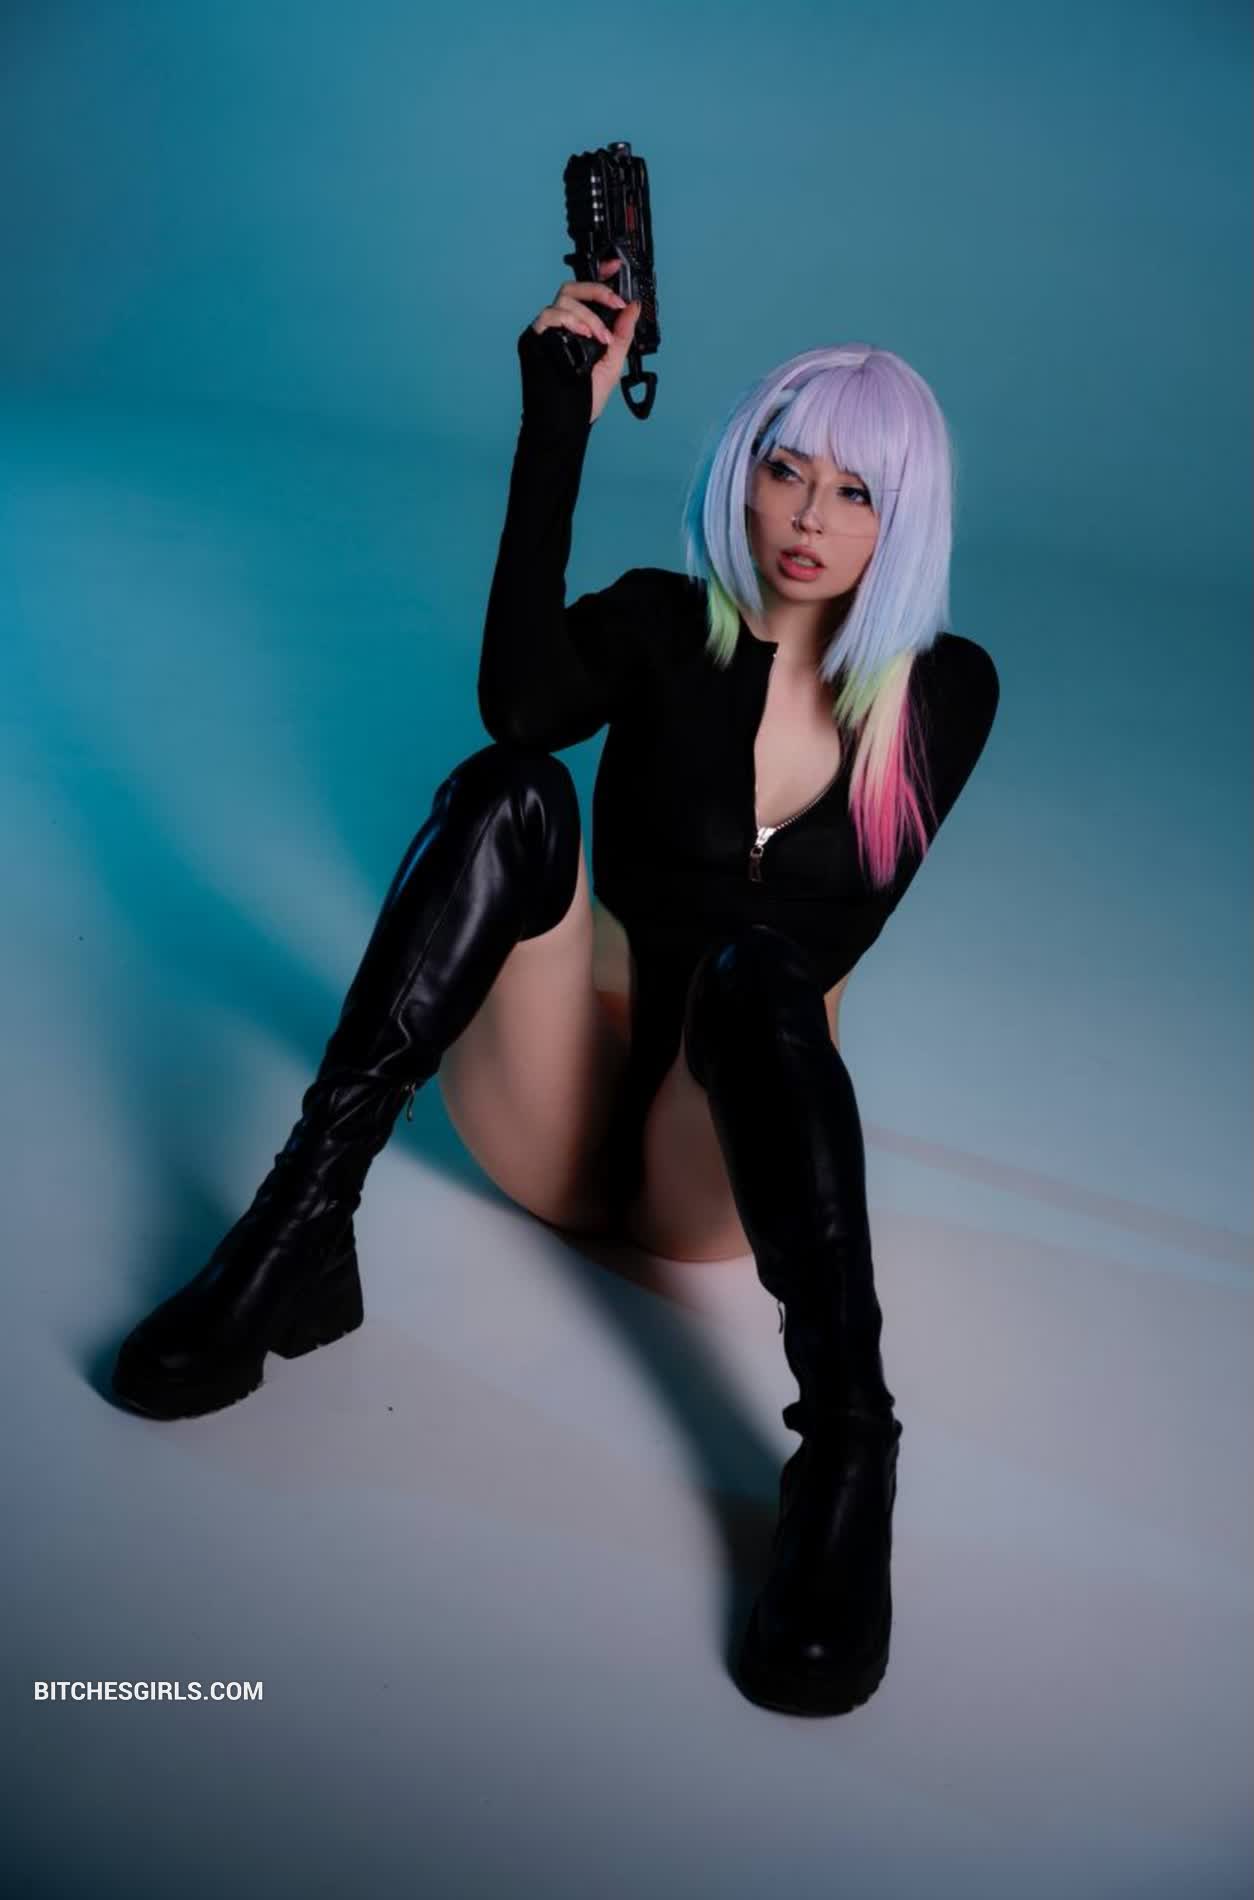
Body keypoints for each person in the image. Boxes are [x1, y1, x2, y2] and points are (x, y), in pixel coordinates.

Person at [110, 258, 1000, 1719]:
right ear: (741, 472)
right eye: (785, 472)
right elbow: (520, 707)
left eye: (857, 495)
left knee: (759, 967)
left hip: (717, 1160)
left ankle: (847, 1452)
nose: (808, 520)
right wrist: (555, 432)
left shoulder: (943, 695)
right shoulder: (660, 623)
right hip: (550, 1099)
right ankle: (294, 1230)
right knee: (511, 787)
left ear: (907, 522)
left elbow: (836, 932)